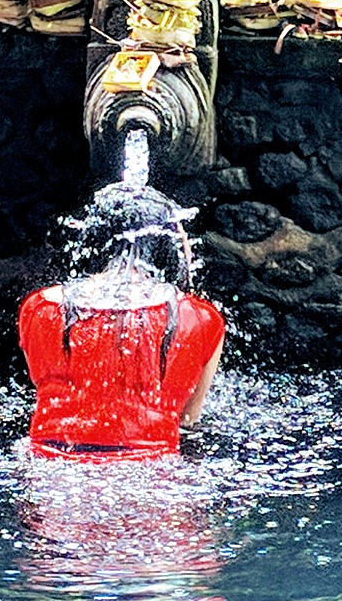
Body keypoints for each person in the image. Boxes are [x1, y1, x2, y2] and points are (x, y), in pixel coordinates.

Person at [18, 182, 225, 459]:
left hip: (51, 467)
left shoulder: (41, 308)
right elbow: (187, 418)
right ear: (167, 244)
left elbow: (55, 390)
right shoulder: (199, 319)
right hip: (152, 475)